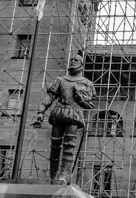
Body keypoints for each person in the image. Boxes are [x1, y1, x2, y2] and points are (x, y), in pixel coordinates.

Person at [33, 54, 95, 184]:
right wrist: (40, 113)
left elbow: (90, 103)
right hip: (59, 112)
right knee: (55, 145)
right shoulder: (60, 80)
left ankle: (64, 174)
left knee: (69, 145)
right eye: (71, 60)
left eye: (76, 60)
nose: (72, 62)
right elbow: (49, 97)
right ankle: (53, 174)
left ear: (81, 65)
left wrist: (81, 98)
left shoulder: (86, 83)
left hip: (73, 114)